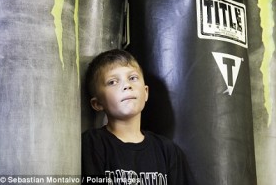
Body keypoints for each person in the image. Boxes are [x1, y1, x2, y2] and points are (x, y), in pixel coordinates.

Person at [82, 49, 196, 184]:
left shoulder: (168, 151)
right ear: (97, 103)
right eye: (113, 82)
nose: (127, 85)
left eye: (132, 78)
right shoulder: (92, 144)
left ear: (146, 92)